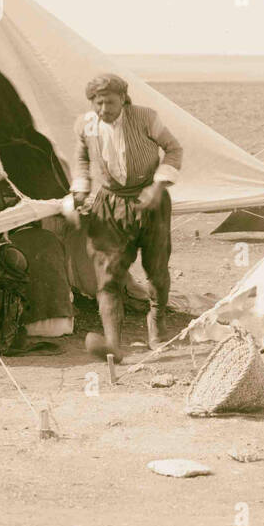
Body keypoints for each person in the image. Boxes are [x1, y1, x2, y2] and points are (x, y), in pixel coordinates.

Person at [70, 73, 182, 360]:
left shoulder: (146, 118)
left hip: (151, 201)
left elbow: (173, 149)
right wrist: (81, 191)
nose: (103, 109)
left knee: (156, 270)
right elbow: (81, 159)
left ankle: (157, 330)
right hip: (109, 205)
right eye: (98, 103)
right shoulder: (86, 125)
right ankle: (112, 346)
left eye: (109, 102)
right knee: (107, 276)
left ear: (123, 98)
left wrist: (158, 186)